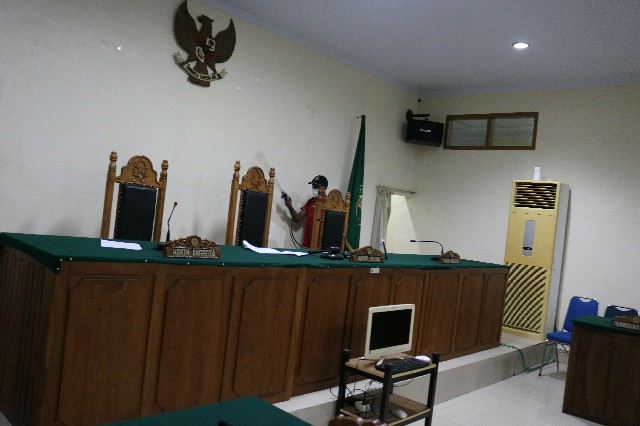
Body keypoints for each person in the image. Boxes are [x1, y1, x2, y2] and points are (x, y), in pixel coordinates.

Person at [284, 175, 328, 248]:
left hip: (322, 247)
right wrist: (290, 207)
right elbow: (297, 219)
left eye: (316, 186)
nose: (314, 188)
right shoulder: (311, 201)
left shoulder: (330, 204)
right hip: (307, 246)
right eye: (313, 186)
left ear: (324, 187)